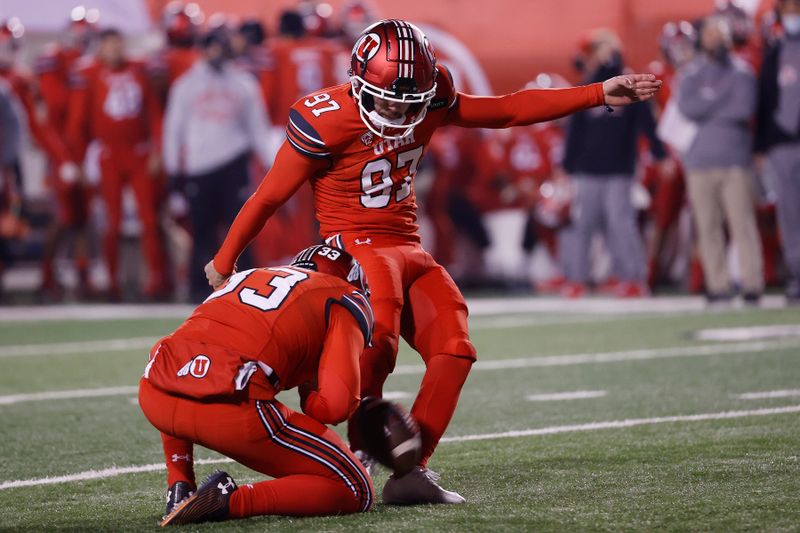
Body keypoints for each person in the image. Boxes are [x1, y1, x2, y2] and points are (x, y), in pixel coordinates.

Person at [205, 19, 661, 504]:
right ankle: (348, 456)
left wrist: (596, 94)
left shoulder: (431, 90)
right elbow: (268, 197)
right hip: (353, 247)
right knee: (376, 352)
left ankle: (411, 469)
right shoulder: (326, 117)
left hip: (408, 244)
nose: (400, 112)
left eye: (411, 102)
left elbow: (504, 110)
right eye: (388, 100)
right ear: (360, 83)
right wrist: (224, 260)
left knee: (455, 348)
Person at [140, 245, 373, 525]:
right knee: (356, 486)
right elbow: (335, 408)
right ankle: (230, 501)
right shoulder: (345, 295)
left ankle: (180, 484)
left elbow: (195, 345)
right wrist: (309, 394)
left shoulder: (248, 276)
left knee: (186, 363)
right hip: (229, 409)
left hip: (156, 390)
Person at [163, 24, 272, 301]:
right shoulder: (186, 84)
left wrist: (274, 165)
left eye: (220, 46)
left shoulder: (243, 83)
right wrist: (174, 174)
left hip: (234, 164)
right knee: (202, 233)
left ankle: (248, 289)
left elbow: (257, 128)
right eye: (211, 45)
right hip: (199, 168)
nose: (216, 51)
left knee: (242, 229)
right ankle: (200, 291)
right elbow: (173, 130)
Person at [559, 29, 669, 299]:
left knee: (621, 225)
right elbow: (575, 130)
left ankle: (633, 277)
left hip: (619, 168)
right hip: (587, 169)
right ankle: (576, 279)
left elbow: (647, 123)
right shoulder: (588, 85)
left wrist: (660, 154)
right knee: (582, 225)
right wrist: (567, 166)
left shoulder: (628, 82)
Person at [67, 28, 167, 301]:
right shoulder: (89, 74)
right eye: (109, 45)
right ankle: (112, 281)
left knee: (148, 219)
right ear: (100, 48)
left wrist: (158, 149)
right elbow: (78, 122)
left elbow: (154, 113)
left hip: (138, 152)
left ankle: (156, 280)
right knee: (112, 222)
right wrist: (78, 160)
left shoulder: (139, 69)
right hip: (108, 154)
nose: (115, 50)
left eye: (118, 44)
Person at [678, 16, 763, 305]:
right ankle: (718, 285)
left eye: (720, 35)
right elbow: (686, 108)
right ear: (702, 39)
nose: (715, 41)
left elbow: (743, 109)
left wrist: (708, 105)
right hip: (699, 162)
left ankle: (752, 283)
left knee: (743, 225)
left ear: (729, 39)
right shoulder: (690, 74)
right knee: (707, 227)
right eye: (710, 35)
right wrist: (720, 101)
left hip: (735, 161)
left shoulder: (742, 72)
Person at [34, 11, 97, 299]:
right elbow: (49, 117)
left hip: (84, 152)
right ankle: (47, 275)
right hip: (63, 154)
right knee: (62, 217)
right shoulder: (55, 61)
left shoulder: (89, 66)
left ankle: (82, 276)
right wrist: (63, 158)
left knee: (84, 217)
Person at [756, 0, 800, 305]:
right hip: (783, 143)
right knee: (790, 214)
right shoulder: (774, 51)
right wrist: (761, 145)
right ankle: (798, 278)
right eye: (789, 9)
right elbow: (765, 98)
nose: (794, 14)